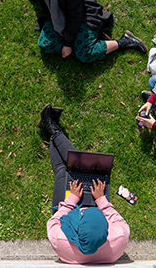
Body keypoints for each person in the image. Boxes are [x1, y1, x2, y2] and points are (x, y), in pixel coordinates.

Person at [38, 104, 130, 264]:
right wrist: (100, 200)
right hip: (94, 204)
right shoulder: (119, 238)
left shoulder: (61, 239)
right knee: (86, 170)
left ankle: (52, 128)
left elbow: (53, 222)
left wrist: (71, 201)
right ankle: (51, 126)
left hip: (67, 211)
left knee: (62, 170)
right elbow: (117, 219)